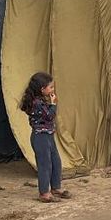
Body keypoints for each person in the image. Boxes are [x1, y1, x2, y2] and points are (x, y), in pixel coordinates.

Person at [20, 72, 70, 203]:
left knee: (56, 161)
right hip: (40, 137)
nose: (52, 90)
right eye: (50, 87)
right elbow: (49, 115)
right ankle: (44, 192)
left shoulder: (40, 101)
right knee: (45, 164)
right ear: (42, 89)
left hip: (48, 136)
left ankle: (55, 187)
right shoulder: (36, 103)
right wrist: (53, 104)